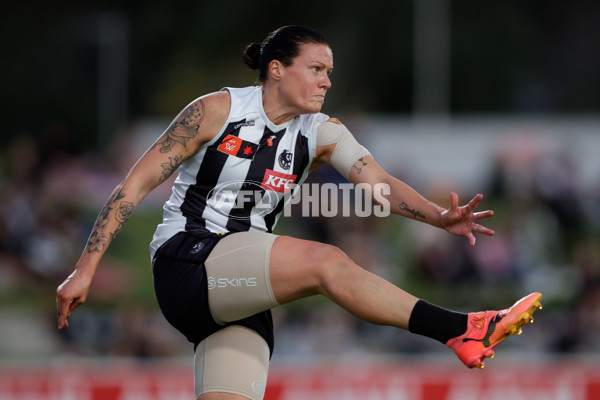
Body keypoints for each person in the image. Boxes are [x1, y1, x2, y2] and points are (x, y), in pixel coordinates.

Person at [56, 25, 542, 400]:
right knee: (326, 263)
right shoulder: (216, 110)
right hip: (188, 263)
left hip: (240, 293)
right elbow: (134, 185)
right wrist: (85, 270)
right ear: (276, 69)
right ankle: (461, 328)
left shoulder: (321, 131)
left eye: (330, 72)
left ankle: (462, 331)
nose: (327, 81)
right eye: (317, 69)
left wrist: (438, 217)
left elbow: (378, 183)